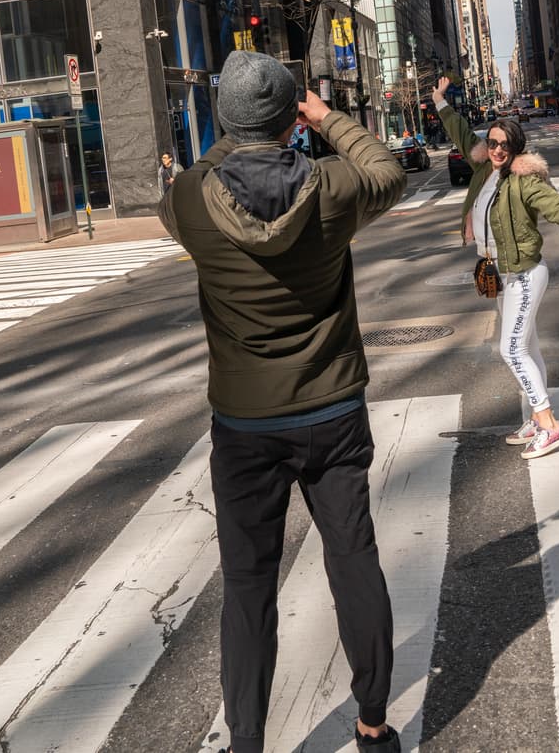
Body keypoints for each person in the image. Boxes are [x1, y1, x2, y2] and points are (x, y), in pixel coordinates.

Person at [159, 50, 408, 753]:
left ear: (224, 121)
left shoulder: (190, 200)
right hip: (331, 411)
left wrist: (232, 130)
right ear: (290, 115)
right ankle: (372, 721)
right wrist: (325, 118)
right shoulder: (331, 187)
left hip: (243, 425)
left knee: (247, 585)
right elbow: (388, 171)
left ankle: (246, 741)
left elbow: (193, 181)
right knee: (354, 560)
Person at [431, 75, 559, 459]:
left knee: (512, 349)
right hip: (500, 274)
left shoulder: (524, 180)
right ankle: (539, 419)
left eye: (504, 144)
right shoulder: (484, 169)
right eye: (493, 142)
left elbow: (556, 205)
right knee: (528, 347)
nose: (497, 149)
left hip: (523, 274)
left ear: (516, 147)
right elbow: (460, 131)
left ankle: (549, 424)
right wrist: (438, 99)